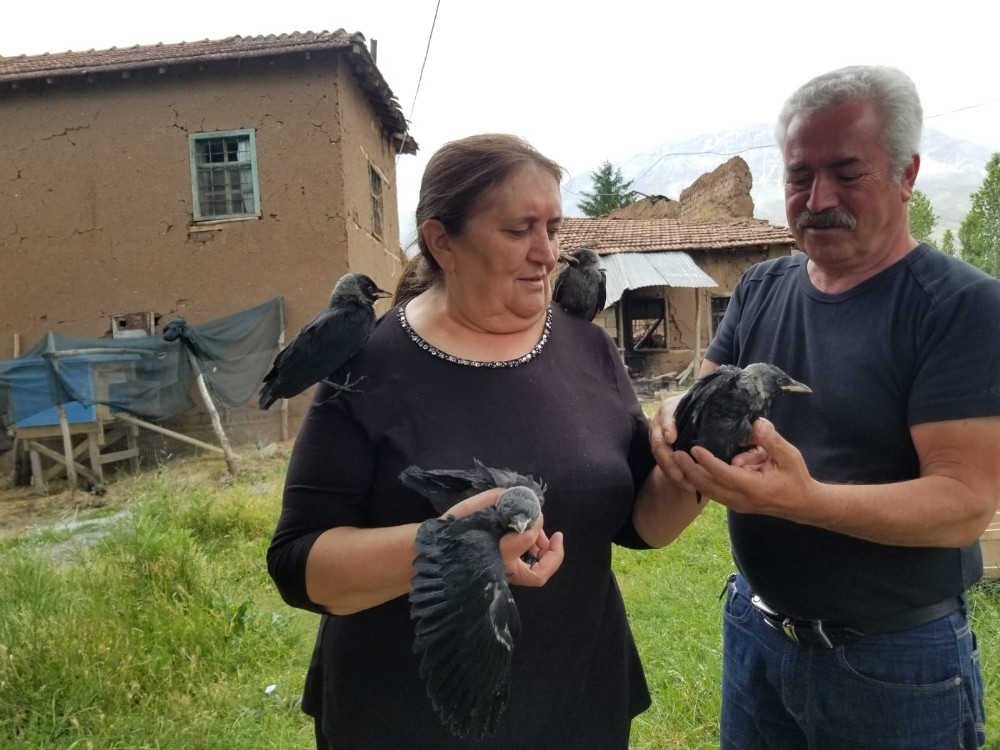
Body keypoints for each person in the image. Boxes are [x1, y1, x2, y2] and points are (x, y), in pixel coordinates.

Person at [267, 133, 700, 749]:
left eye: (553, 227)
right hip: (407, 721)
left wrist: (693, 467)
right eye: (519, 230)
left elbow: (639, 525)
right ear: (443, 241)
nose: (546, 253)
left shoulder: (589, 347)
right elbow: (297, 565)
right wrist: (449, 545)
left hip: (578, 705)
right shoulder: (368, 364)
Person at [651, 65, 1000, 749]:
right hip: (756, 633)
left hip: (894, 664)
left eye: (847, 173)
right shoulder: (760, 288)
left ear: (907, 175)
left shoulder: (960, 308)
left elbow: (964, 503)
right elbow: (701, 410)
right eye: (798, 177)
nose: (817, 199)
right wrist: (673, 430)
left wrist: (803, 498)